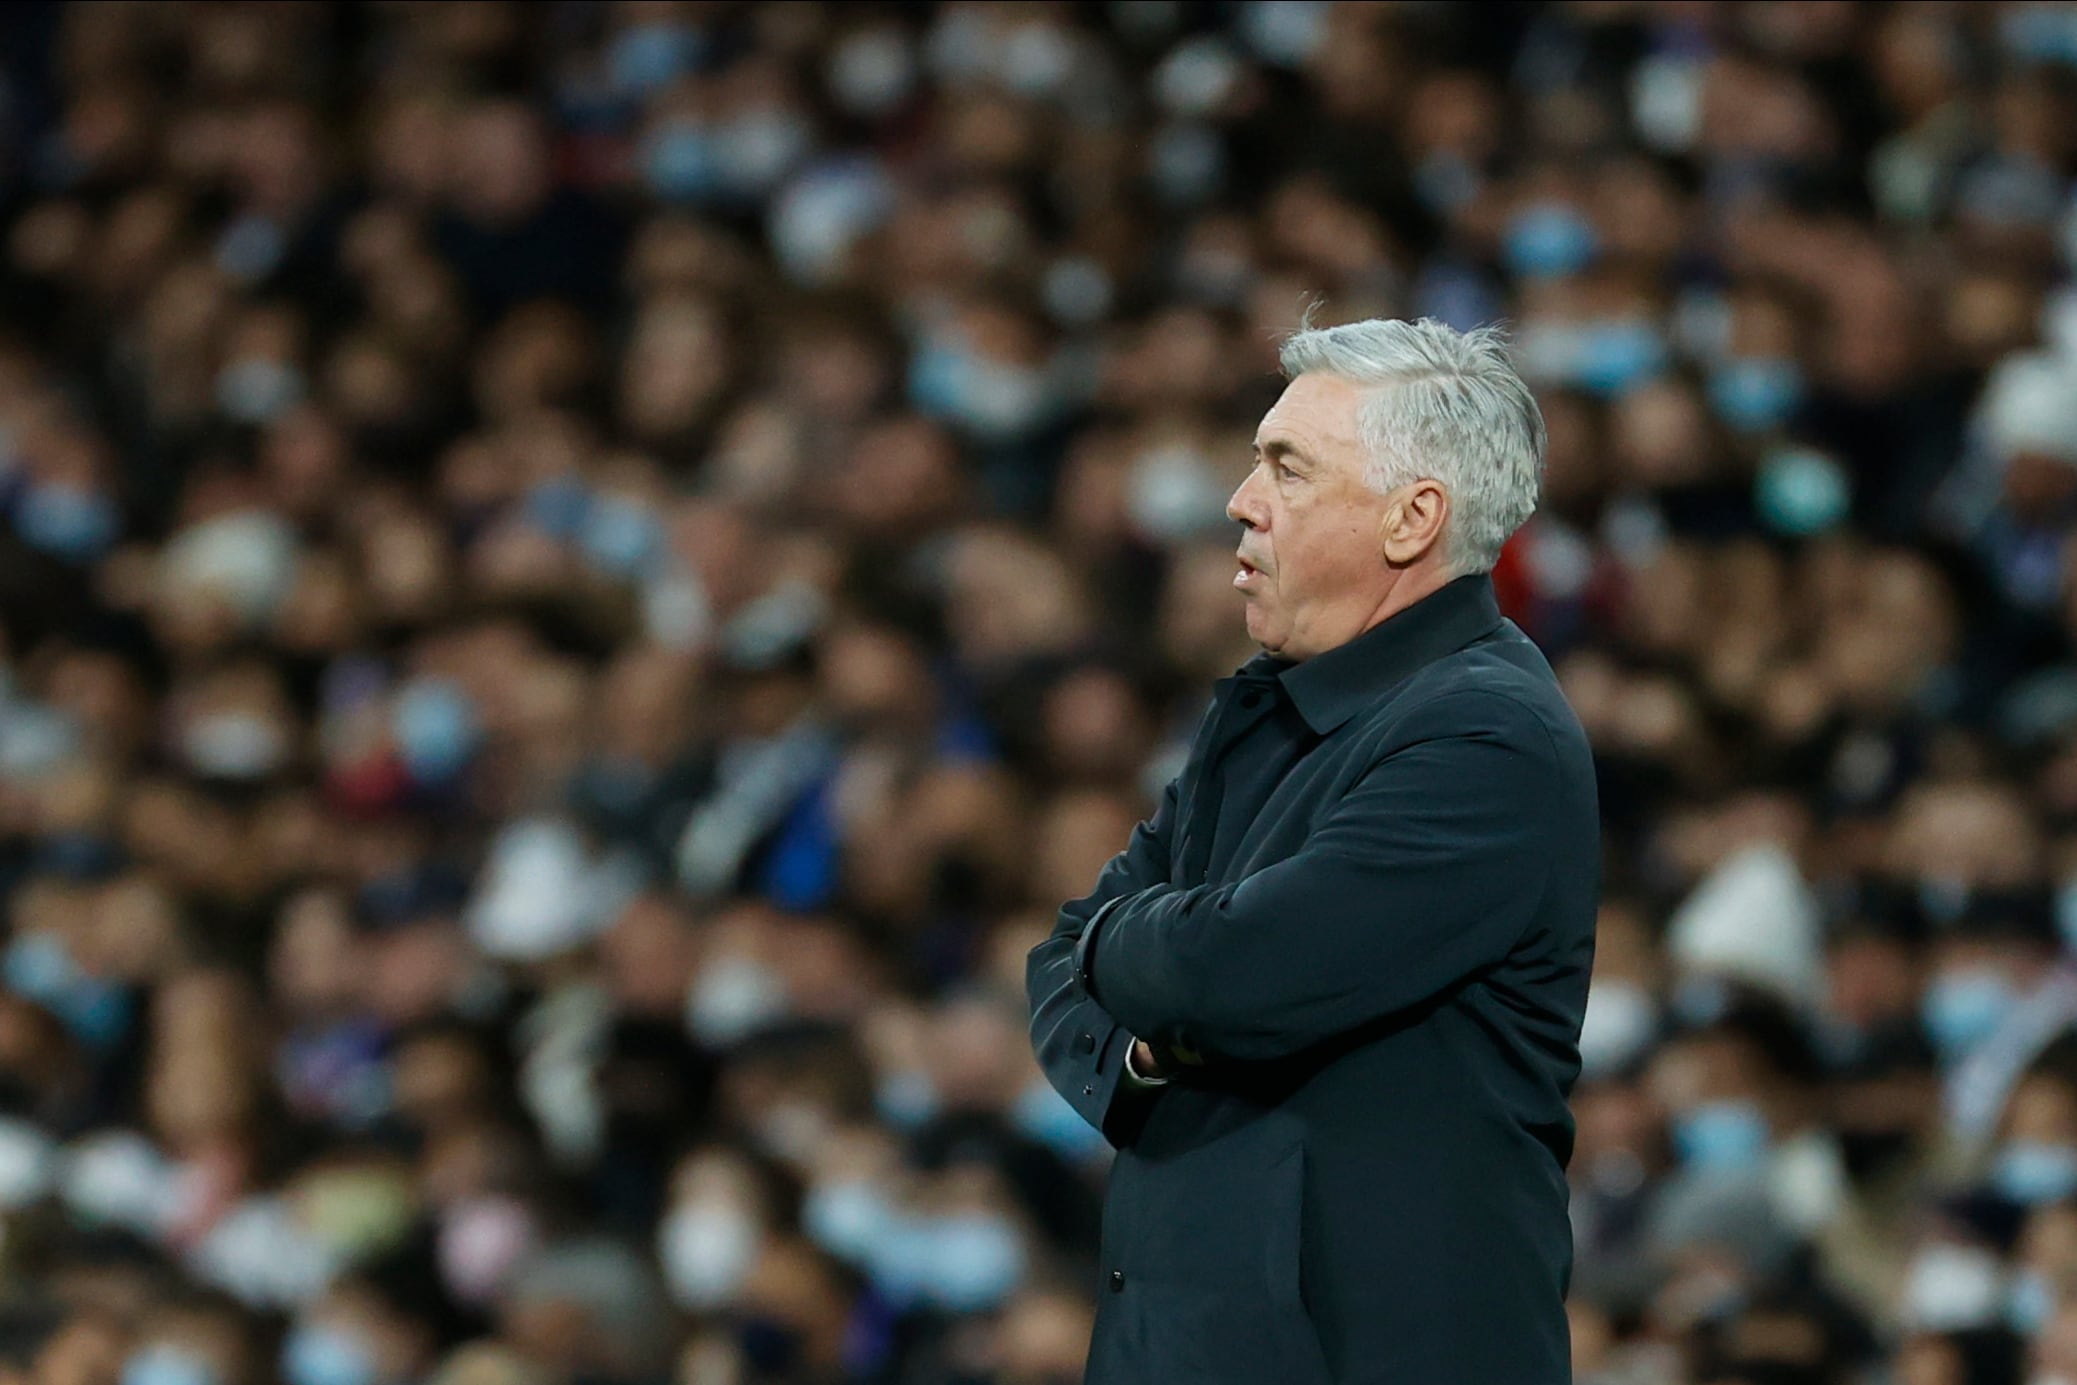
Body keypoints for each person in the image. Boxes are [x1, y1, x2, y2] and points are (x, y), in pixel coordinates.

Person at [1027, 317, 1600, 1384]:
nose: (1241, 501)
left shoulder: (1486, 734)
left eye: (1285, 467)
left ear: (1410, 516)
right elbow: (1058, 962)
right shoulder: (1267, 709)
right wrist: (1150, 1039)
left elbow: (1229, 971)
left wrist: (1138, 953)